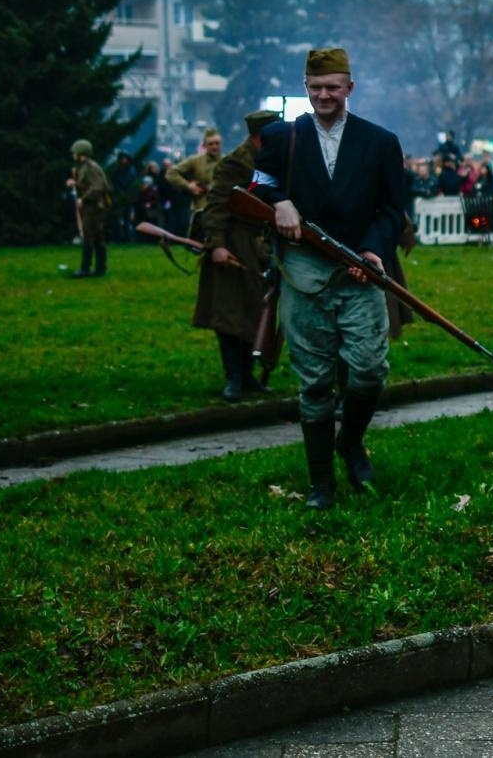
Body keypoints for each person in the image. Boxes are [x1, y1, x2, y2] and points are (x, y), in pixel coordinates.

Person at [251, 48, 409, 510]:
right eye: (316, 87)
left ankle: (351, 442)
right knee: (315, 381)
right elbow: (257, 186)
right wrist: (278, 202)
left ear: (349, 88)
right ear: (305, 87)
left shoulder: (380, 141)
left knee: (370, 369)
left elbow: (393, 209)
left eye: (333, 87)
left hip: (359, 268)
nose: (324, 95)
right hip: (303, 272)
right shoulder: (281, 137)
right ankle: (321, 484)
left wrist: (373, 250)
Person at [195, 110, 281, 401]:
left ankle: (247, 376)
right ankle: (234, 377)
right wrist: (218, 245)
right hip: (233, 241)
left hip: (257, 243)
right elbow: (216, 206)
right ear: (260, 137)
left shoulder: (268, 159)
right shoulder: (235, 163)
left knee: (254, 310)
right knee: (229, 315)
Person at [167, 129, 224, 237]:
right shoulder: (196, 161)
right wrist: (188, 186)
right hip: (201, 209)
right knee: (198, 242)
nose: (214, 146)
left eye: (217, 143)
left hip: (222, 209)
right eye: (211, 144)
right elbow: (171, 173)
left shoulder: (228, 162)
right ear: (204, 145)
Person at [67, 139, 111, 278]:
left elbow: (97, 187)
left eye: (75, 153)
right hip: (92, 206)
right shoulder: (84, 167)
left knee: (89, 237)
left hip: (94, 207)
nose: (73, 155)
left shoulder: (91, 167)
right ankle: (100, 268)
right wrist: (75, 184)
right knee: (97, 237)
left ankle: (86, 268)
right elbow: (87, 185)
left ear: (81, 153)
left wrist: (83, 198)